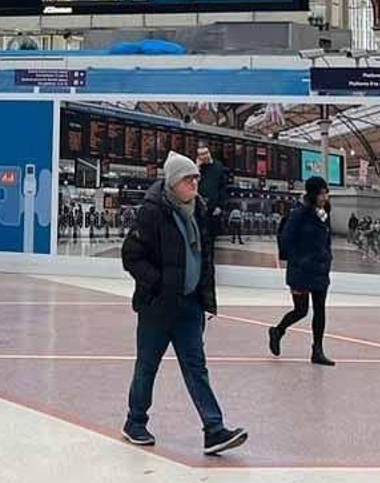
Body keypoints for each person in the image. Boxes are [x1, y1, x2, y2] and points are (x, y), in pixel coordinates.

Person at [120, 150, 247, 456]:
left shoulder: (198, 210)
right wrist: (159, 284)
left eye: (196, 178)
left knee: (196, 368)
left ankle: (214, 430)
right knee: (147, 365)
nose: (195, 183)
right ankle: (135, 422)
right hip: (157, 306)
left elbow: (202, 257)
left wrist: (204, 298)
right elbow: (131, 255)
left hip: (189, 305)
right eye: (189, 178)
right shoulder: (153, 211)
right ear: (174, 181)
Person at [268, 176, 334, 366]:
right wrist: (299, 260)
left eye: (326, 192)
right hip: (302, 271)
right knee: (301, 310)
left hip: (320, 269)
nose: (325, 196)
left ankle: (317, 350)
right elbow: (286, 239)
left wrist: (327, 258)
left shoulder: (324, 213)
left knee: (320, 310)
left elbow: (326, 240)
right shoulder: (298, 214)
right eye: (322, 193)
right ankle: (278, 330)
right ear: (313, 194)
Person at [196, 146, 228, 240]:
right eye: (201, 154)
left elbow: (222, 187)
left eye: (205, 153)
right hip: (199, 205)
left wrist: (220, 206)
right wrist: (197, 167)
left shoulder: (218, 166)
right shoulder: (198, 168)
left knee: (211, 235)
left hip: (213, 206)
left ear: (209, 153)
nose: (204, 156)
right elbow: (193, 182)